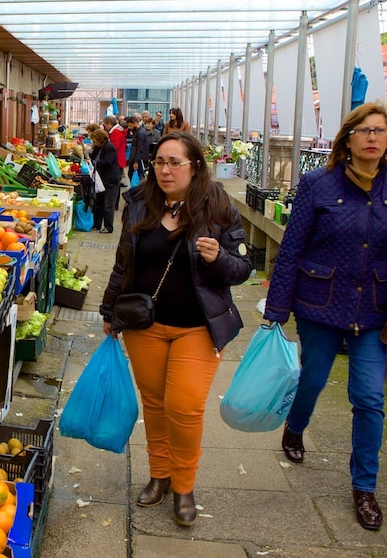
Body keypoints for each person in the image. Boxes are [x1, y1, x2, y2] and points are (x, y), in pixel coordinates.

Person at [264, 103, 387, 531]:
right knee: (312, 380)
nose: (372, 137)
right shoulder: (318, 184)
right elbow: (292, 249)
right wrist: (276, 310)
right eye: (364, 130)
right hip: (320, 303)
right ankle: (295, 426)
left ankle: (364, 488)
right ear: (347, 138)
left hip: (372, 307)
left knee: (369, 399)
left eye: (380, 131)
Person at [100, 131, 252, 527]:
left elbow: (242, 269)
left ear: (195, 166)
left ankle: (184, 486)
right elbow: (123, 263)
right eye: (159, 162)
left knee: (184, 406)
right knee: (154, 403)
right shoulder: (138, 202)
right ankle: (160, 474)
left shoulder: (218, 206)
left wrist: (218, 259)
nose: (165, 171)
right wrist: (109, 309)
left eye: (174, 163)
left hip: (197, 327)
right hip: (145, 325)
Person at [90, 129, 122, 233]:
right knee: (98, 202)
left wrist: (95, 163)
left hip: (110, 178)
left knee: (108, 204)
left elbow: (108, 162)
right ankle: (97, 224)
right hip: (100, 179)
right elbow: (92, 157)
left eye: (96, 141)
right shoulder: (97, 147)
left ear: (101, 139)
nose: (95, 143)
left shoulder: (110, 148)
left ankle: (108, 226)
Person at [130, 117, 151, 184]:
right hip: (139, 158)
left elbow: (140, 148)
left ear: (135, 123)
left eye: (130, 125)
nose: (130, 127)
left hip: (139, 159)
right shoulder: (139, 131)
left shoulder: (140, 133)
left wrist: (136, 161)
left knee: (139, 176)